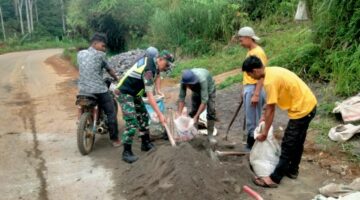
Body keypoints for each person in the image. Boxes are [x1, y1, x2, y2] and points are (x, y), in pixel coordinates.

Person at [242, 56, 317, 188]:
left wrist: (265, 132)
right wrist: (264, 116)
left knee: (288, 143)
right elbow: (271, 101)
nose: (250, 77)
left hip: (302, 110)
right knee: (297, 141)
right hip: (309, 104)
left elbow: (271, 109)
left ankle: (274, 179)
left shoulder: (269, 81)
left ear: (255, 71)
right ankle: (293, 170)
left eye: (249, 74)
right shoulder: (271, 72)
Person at [115, 50, 174, 163]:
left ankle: (145, 143)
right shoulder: (149, 69)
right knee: (132, 122)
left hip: (135, 93)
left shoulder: (154, 65)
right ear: (160, 59)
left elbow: (156, 79)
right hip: (124, 92)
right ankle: (126, 152)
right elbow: (150, 97)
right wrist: (160, 115)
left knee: (144, 116)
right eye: (166, 65)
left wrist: (158, 90)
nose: (166, 68)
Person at [77, 33, 121, 147]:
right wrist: (117, 79)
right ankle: (115, 139)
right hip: (98, 90)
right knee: (111, 112)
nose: (104, 48)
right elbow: (109, 70)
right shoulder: (101, 55)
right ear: (95, 43)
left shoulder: (80, 54)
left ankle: (81, 120)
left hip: (82, 89)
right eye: (103, 45)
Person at [236, 26, 268, 150]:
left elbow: (261, 74)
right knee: (250, 117)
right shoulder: (250, 51)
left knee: (255, 117)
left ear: (249, 38)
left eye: (241, 39)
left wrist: (256, 93)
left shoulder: (258, 52)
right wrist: (243, 89)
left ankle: (253, 143)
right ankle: (252, 141)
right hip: (249, 87)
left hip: (255, 88)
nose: (240, 42)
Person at [177, 68, 217, 145]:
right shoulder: (183, 81)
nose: (188, 87)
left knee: (211, 110)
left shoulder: (202, 80)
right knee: (194, 110)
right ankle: (195, 135)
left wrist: (196, 117)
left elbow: (204, 101)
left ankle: (210, 136)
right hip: (196, 90)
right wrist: (179, 115)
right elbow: (181, 98)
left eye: (190, 85)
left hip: (209, 89)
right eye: (188, 85)